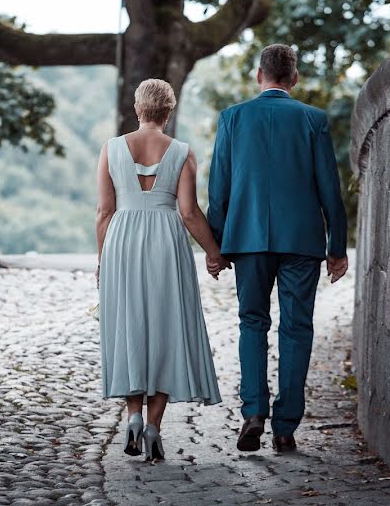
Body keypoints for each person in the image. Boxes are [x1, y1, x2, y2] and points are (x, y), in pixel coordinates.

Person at [206, 44, 348, 453]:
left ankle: (253, 412)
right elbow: (330, 190)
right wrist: (336, 245)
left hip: (247, 240)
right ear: (294, 77)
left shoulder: (232, 118)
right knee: (296, 327)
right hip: (302, 241)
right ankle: (285, 426)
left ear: (259, 75)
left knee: (252, 323)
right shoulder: (312, 119)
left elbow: (220, 190)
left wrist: (216, 247)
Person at [96, 78, 226, 461]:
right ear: (168, 113)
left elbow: (104, 212)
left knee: (130, 327)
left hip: (122, 240)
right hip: (167, 242)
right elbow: (188, 212)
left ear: (138, 109)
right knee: (168, 329)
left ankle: (132, 417)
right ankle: (154, 427)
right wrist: (214, 253)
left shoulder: (111, 149)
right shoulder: (183, 152)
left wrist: (103, 261)